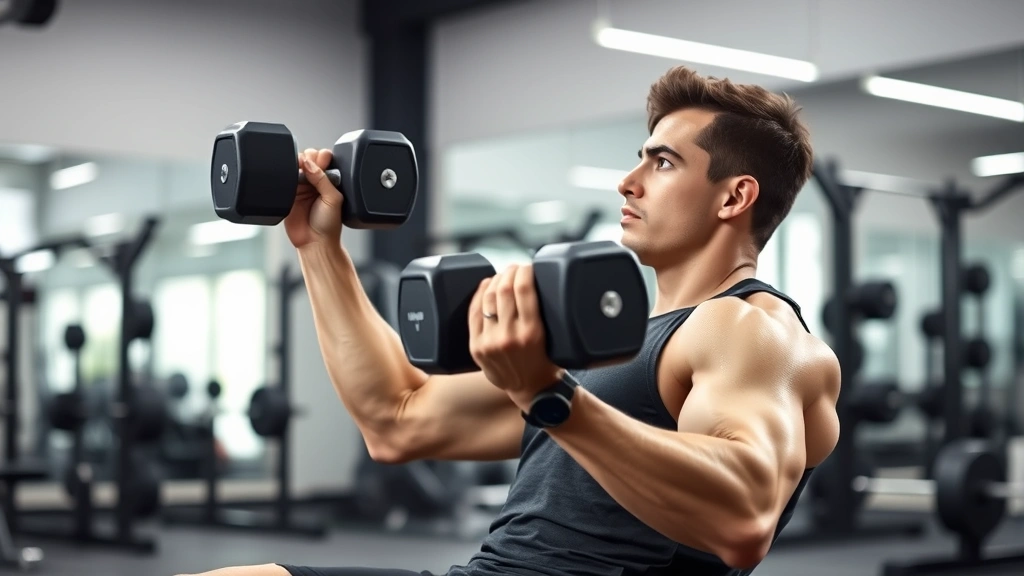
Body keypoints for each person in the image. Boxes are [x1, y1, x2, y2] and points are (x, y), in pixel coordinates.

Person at [178, 65, 840, 576]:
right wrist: (319, 249)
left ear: (735, 195)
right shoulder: (619, 341)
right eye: (639, 156)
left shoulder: (751, 330)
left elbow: (744, 517)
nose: (627, 181)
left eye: (662, 161)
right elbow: (396, 417)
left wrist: (548, 396)